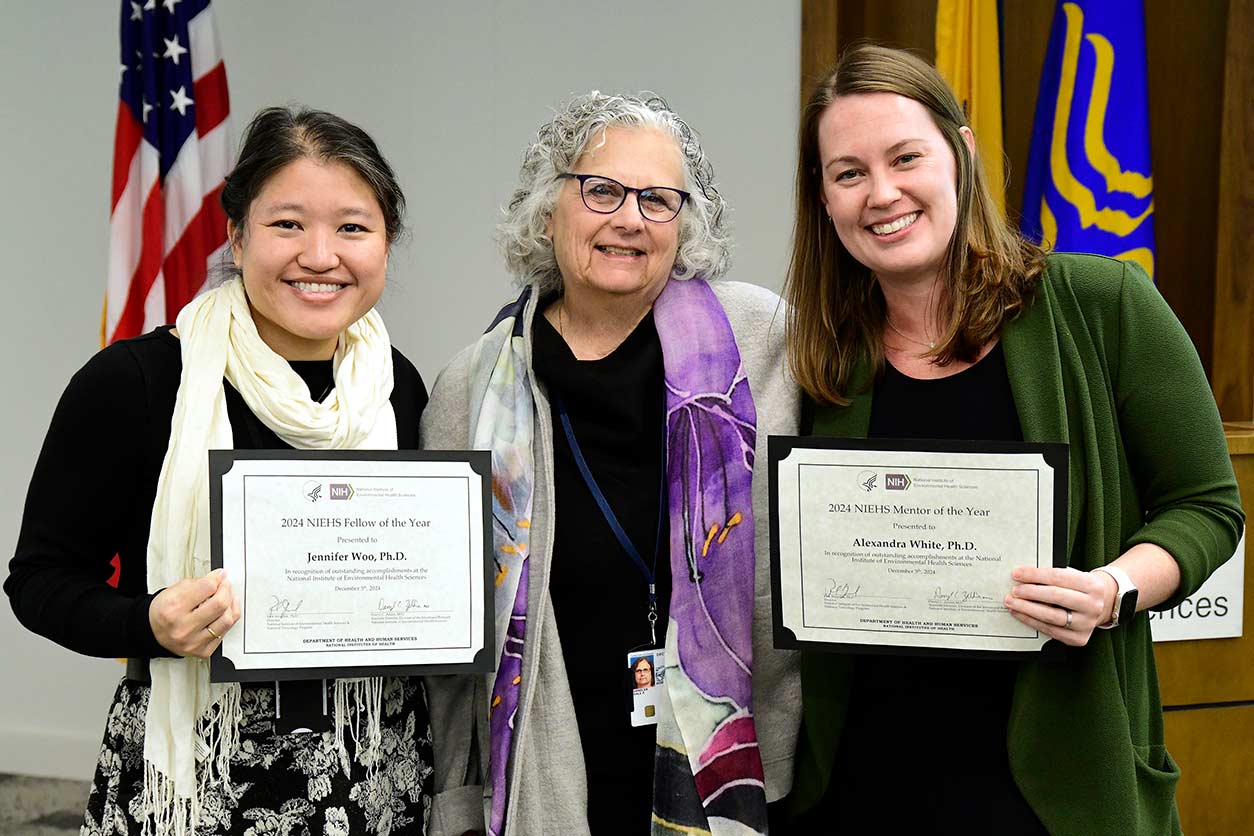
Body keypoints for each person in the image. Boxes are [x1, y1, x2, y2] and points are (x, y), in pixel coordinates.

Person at [780, 44, 1244, 835]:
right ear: (823, 198)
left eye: (905, 157)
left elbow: (1206, 507)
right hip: (856, 786)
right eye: (848, 172)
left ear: (960, 154)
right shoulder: (812, 354)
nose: (882, 193)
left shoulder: (1104, 306)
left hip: (1053, 787)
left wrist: (1113, 590)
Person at [6, 107, 434, 836]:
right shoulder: (137, 383)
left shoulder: (396, 386)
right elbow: (39, 580)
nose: (322, 255)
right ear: (236, 236)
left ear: (386, 242)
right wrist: (145, 619)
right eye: (288, 224)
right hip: (195, 782)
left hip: (377, 775)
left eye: (353, 227)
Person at [422, 92, 801, 836]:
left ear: (684, 223)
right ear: (549, 208)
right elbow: (450, 637)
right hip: (549, 763)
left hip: (743, 769)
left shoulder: (765, 341)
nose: (629, 219)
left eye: (659, 200)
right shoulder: (472, 387)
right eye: (601, 190)